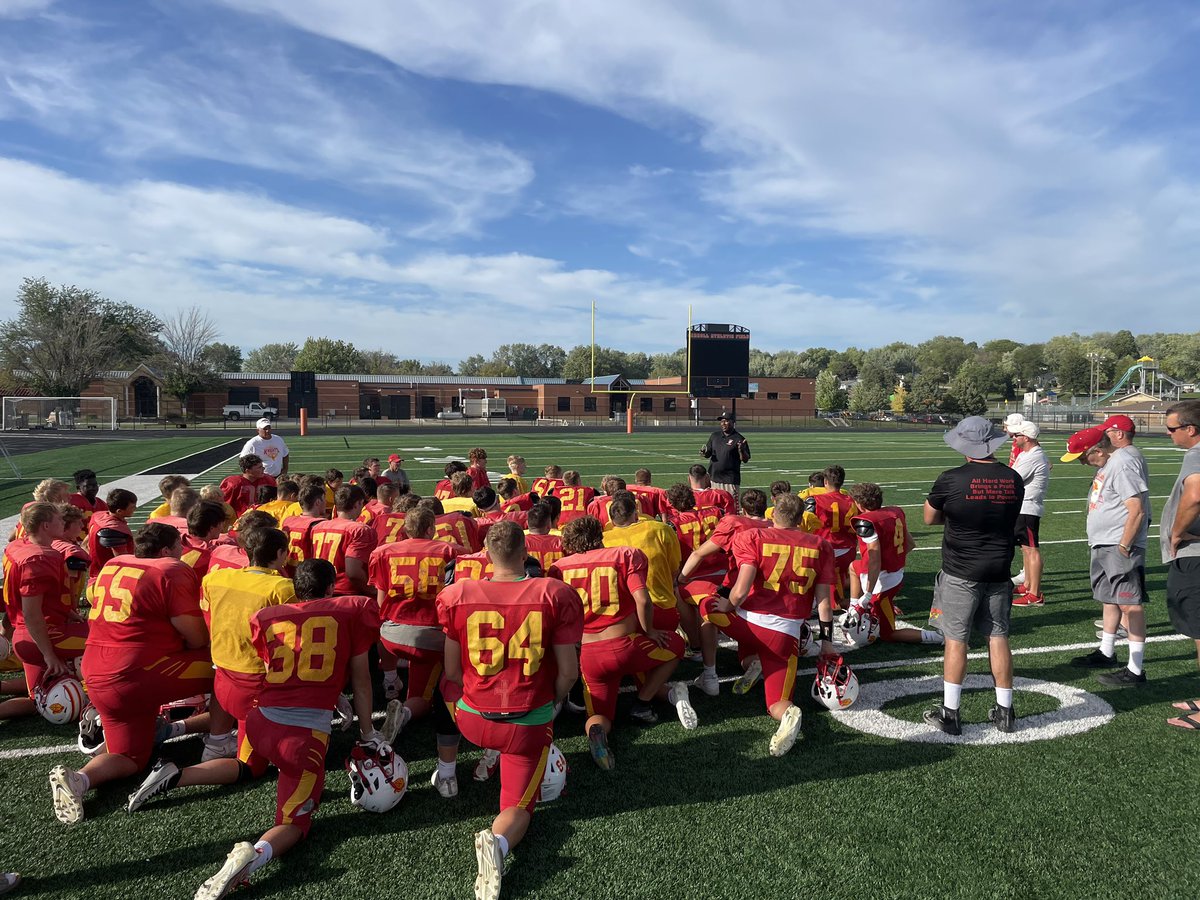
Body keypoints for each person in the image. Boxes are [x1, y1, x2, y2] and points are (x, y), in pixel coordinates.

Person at [188, 558, 382, 900]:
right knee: (294, 824)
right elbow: (362, 682)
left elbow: (283, 666)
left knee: (272, 772)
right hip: (301, 737)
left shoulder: (268, 617)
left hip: (258, 721)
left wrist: (332, 695)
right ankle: (253, 858)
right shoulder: (351, 611)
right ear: (330, 588)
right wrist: (367, 733)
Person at [437, 521, 582, 900]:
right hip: (526, 724)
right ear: (525, 554)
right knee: (518, 806)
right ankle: (498, 845)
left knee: (446, 686)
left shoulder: (459, 593)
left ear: (485, 553)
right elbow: (569, 672)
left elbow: (452, 672)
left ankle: (447, 766)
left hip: (471, 718)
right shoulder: (553, 593)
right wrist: (554, 702)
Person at [49, 523, 213, 824]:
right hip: (138, 674)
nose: (182, 553)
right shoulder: (169, 570)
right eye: (179, 548)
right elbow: (198, 638)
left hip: (97, 674)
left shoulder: (113, 564)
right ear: (166, 551)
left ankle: (80, 780)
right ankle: (222, 741)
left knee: (132, 758)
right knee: (231, 670)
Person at [125, 528, 296, 809]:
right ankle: (176, 775)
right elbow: (290, 643)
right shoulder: (281, 588)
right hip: (255, 688)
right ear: (279, 554)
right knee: (252, 766)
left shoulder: (217, 577)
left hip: (221, 679)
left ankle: (202, 739)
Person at [550, 517, 693, 770]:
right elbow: (644, 600)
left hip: (588, 655)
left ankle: (597, 732)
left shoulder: (559, 567)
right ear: (600, 535)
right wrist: (649, 631)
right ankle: (642, 702)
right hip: (625, 646)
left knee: (599, 716)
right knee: (677, 646)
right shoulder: (624, 555)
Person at [701, 494, 834, 756]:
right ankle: (789, 712)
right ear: (800, 519)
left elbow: (739, 591)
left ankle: (727, 668)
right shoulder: (821, 545)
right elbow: (825, 603)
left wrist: (727, 606)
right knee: (777, 703)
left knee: (706, 606)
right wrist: (827, 642)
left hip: (746, 623)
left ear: (773, 515)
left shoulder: (753, 537)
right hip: (785, 635)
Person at [923, 416, 1024, 735]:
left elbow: (929, 517)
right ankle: (1005, 711)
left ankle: (951, 712)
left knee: (956, 640)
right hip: (999, 567)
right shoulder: (1013, 478)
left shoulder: (951, 479)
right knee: (998, 636)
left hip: (961, 569)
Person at [368, 507, 464, 794]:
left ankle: (389, 682)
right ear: (431, 528)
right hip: (429, 635)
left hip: (392, 632)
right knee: (426, 696)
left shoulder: (384, 551)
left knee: (409, 660)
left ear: (406, 529)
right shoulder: (450, 550)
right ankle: (407, 712)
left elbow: (381, 600)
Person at [1067, 423, 1152, 686]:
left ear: (1099, 451)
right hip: (1105, 542)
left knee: (1129, 604)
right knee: (1109, 599)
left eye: (1083, 457)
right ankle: (1107, 652)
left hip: (1118, 544)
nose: (1082, 463)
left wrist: (1124, 545)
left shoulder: (1122, 464)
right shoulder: (1109, 465)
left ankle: (1136, 669)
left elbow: (1136, 508)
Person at [0, 503, 73, 722]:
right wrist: (49, 654)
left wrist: (66, 611)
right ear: (46, 525)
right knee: (103, 642)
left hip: (25, 635)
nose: (64, 523)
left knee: (38, 700)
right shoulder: (39, 559)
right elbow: (32, 614)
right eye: (59, 520)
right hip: (40, 635)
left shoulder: (19, 545)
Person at [844, 483, 942, 645]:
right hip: (893, 572)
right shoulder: (894, 512)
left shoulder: (866, 522)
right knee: (854, 566)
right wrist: (893, 559)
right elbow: (910, 544)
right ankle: (854, 605)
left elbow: (875, 560)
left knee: (888, 634)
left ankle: (938, 637)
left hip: (882, 580)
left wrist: (868, 594)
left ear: (859, 504)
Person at [1159, 401, 1200, 728]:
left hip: (1195, 556)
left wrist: (1177, 531)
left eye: (1172, 428)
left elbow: (1196, 493)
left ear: (1191, 429)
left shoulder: (1196, 455)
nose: (1168, 434)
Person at [1008, 421, 1052, 607]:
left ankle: (1035, 594)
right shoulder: (1028, 454)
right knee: (1026, 549)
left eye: (1016, 435)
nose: (1013, 438)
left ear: (1025, 437)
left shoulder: (1033, 456)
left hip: (1028, 507)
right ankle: (1028, 585)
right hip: (1023, 507)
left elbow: (1013, 477)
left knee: (1031, 549)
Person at [310, 486, 378, 596]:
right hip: (347, 593)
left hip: (321, 590)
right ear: (357, 504)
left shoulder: (318, 526)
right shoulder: (360, 530)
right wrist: (371, 590)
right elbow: (353, 573)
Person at [699, 412, 750, 501]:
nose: (723, 423)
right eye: (722, 421)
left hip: (729, 481)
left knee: (730, 507)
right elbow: (708, 453)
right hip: (713, 478)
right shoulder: (715, 436)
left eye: (726, 421)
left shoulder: (739, 439)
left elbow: (745, 459)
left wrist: (741, 450)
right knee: (714, 508)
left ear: (733, 422)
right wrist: (704, 452)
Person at [87, 489, 137, 578]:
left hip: (97, 573)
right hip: (110, 579)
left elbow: (85, 544)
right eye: (132, 507)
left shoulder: (98, 516)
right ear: (119, 511)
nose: (135, 508)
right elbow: (123, 560)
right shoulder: (114, 529)